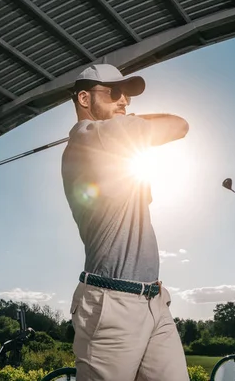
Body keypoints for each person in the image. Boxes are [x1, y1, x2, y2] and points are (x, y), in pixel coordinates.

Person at [60, 63, 190, 381]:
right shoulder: (89, 137)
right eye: (114, 92)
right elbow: (179, 125)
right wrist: (120, 126)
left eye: (127, 96)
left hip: (154, 301)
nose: (125, 102)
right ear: (84, 99)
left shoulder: (108, 143)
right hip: (111, 305)